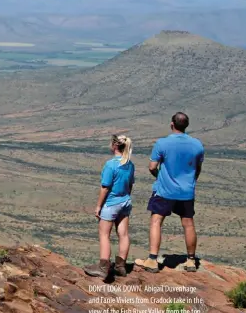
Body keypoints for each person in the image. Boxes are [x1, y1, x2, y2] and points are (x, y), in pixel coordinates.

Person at [135, 112, 204, 273]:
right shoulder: (197, 145)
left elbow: (152, 166)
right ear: (186, 125)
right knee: (188, 224)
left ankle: (152, 260)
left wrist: (160, 177)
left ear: (172, 124)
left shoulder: (162, 143)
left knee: (156, 221)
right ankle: (191, 260)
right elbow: (197, 169)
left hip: (164, 190)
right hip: (186, 191)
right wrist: (190, 183)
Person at [84, 134, 135, 279]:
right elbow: (130, 185)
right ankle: (120, 266)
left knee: (104, 234)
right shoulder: (129, 164)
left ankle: (103, 268)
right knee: (123, 234)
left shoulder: (111, 164)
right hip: (125, 202)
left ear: (114, 146)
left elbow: (105, 187)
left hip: (111, 204)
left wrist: (98, 206)